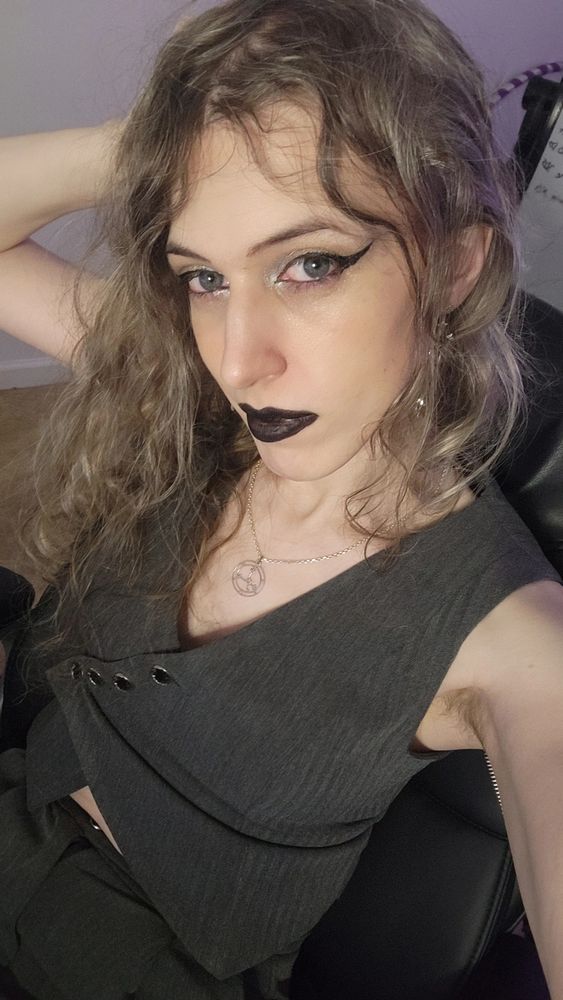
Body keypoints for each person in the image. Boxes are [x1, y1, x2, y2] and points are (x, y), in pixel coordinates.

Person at [0, 0, 562, 997]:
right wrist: (169, 139)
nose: (237, 360)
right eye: (203, 277)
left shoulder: (509, 642)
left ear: (452, 265)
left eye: (309, 265)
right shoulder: (190, 405)